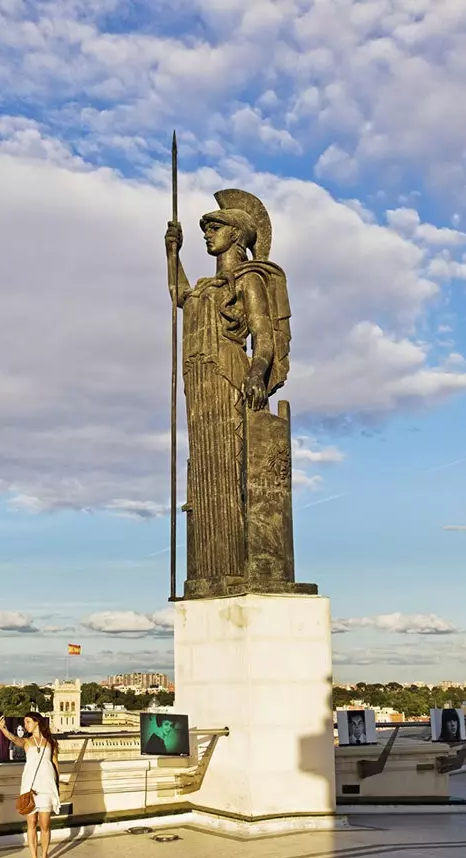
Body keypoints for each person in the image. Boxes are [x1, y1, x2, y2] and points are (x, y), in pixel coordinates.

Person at [165, 190, 292, 595]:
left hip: (228, 377)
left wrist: (258, 373)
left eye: (214, 227)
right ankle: (211, 567)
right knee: (206, 467)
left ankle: (241, 563)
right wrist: (172, 253)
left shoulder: (249, 279)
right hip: (199, 382)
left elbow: (264, 336)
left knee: (232, 463)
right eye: (205, 228)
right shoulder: (205, 287)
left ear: (237, 235)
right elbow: (179, 297)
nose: (207, 234)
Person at [0, 712, 60, 858]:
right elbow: (13, 739)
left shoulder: (50, 742)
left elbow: (55, 764)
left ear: (37, 722)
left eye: (28, 722)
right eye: (25, 722)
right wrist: (3, 729)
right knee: (31, 823)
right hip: (30, 788)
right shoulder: (26, 741)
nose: (25, 725)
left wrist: (57, 786)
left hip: (46, 787)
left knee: (45, 825)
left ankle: (44, 857)